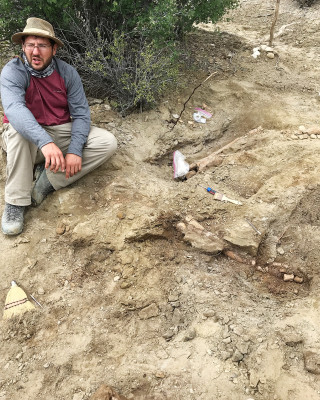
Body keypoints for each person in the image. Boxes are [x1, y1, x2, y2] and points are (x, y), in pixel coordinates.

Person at [0, 17, 117, 235]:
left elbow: (81, 114)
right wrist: (45, 142)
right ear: (23, 46)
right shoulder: (12, 71)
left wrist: (74, 150)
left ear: (54, 49)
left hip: (58, 132)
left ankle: (47, 181)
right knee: (18, 129)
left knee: (106, 142)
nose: (35, 52)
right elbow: (15, 109)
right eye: (30, 45)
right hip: (25, 139)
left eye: (42, 45)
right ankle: (16, 202)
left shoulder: (67, 73)